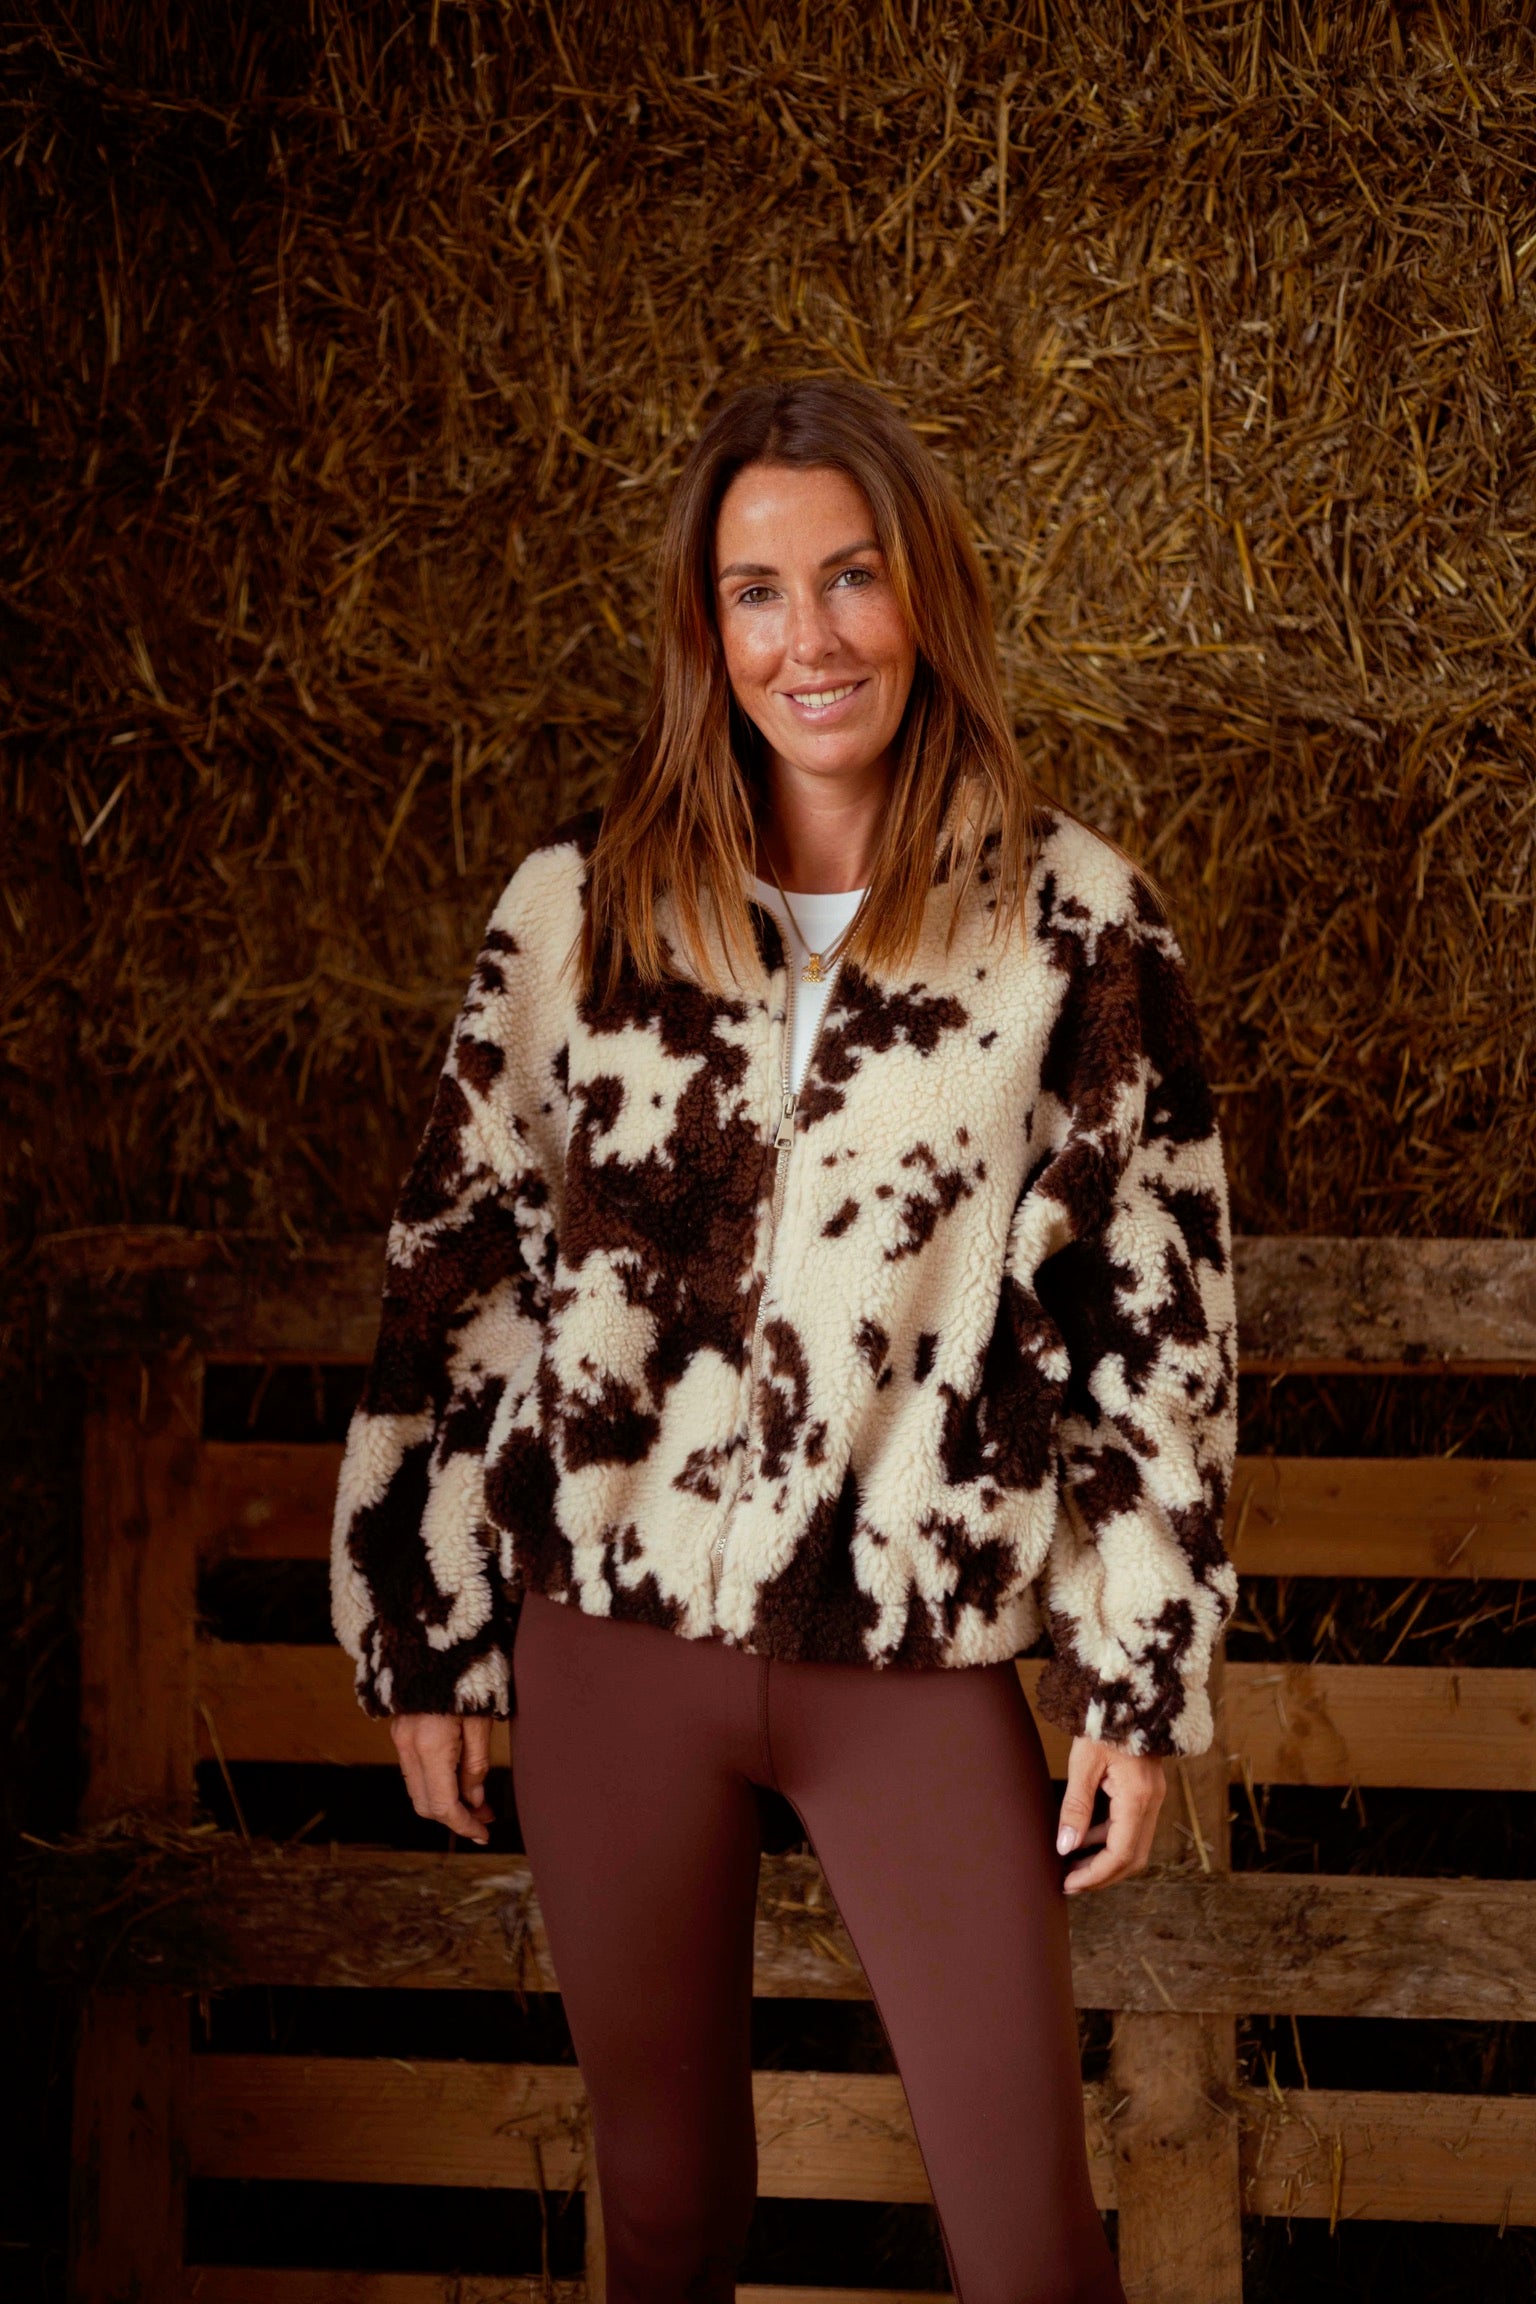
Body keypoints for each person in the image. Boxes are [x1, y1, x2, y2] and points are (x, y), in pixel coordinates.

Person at [330, 376, 1239, 2304]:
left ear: (928, 598)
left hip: (909, 1649)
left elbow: (1153, 1310)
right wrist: (430, 1621)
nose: (807, 638)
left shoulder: (1074, 925)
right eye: (757, 591)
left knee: (1030, 2246)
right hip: (611, 1643)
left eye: (852, 578)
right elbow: (464, 1271)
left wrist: (1136, 1665)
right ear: (705, 625)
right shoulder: (577, 911)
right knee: (666, 2219)